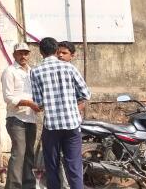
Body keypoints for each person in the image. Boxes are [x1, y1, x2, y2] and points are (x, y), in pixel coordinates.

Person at [30, 37, 91, 189]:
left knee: (52, 165)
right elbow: (85, 93)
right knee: (74, 165)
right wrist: (71, 103)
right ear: (56, 50)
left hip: (51, 126)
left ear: (41, 52)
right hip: (72, 125)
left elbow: (39, 103)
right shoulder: (69, 68)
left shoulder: (35, 71)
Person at [2, 42, 41, 189]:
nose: (23, 56)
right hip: (15, 119)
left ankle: (28, 185)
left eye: (26, 53)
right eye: (20, 53)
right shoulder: (9, 71)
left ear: (29, 55)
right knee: (19, 154)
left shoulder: (32, 72)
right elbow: (8, 98)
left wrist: (38, 104)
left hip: (30, 118)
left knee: (29, 154)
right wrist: (29, 103)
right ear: (14, 55)